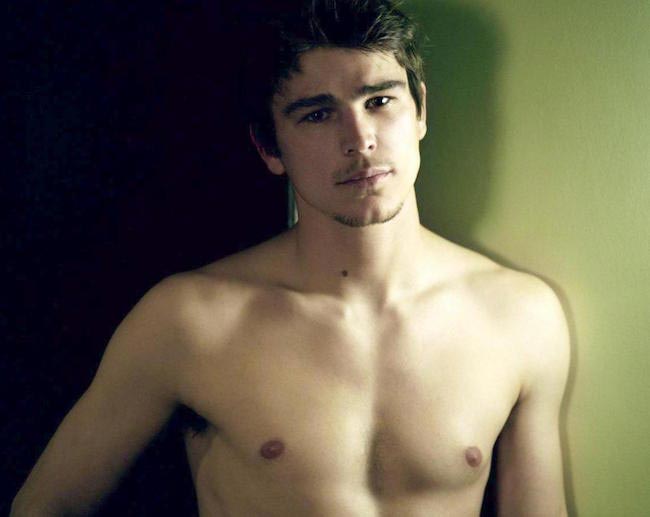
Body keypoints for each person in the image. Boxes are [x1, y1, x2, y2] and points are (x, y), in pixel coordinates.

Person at [11, 0, 570, 515]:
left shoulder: (521, 316)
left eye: (380, 101)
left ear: (420, 110)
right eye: (317, 115)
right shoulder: (191, 320)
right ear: (268, 147)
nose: (360, 139)